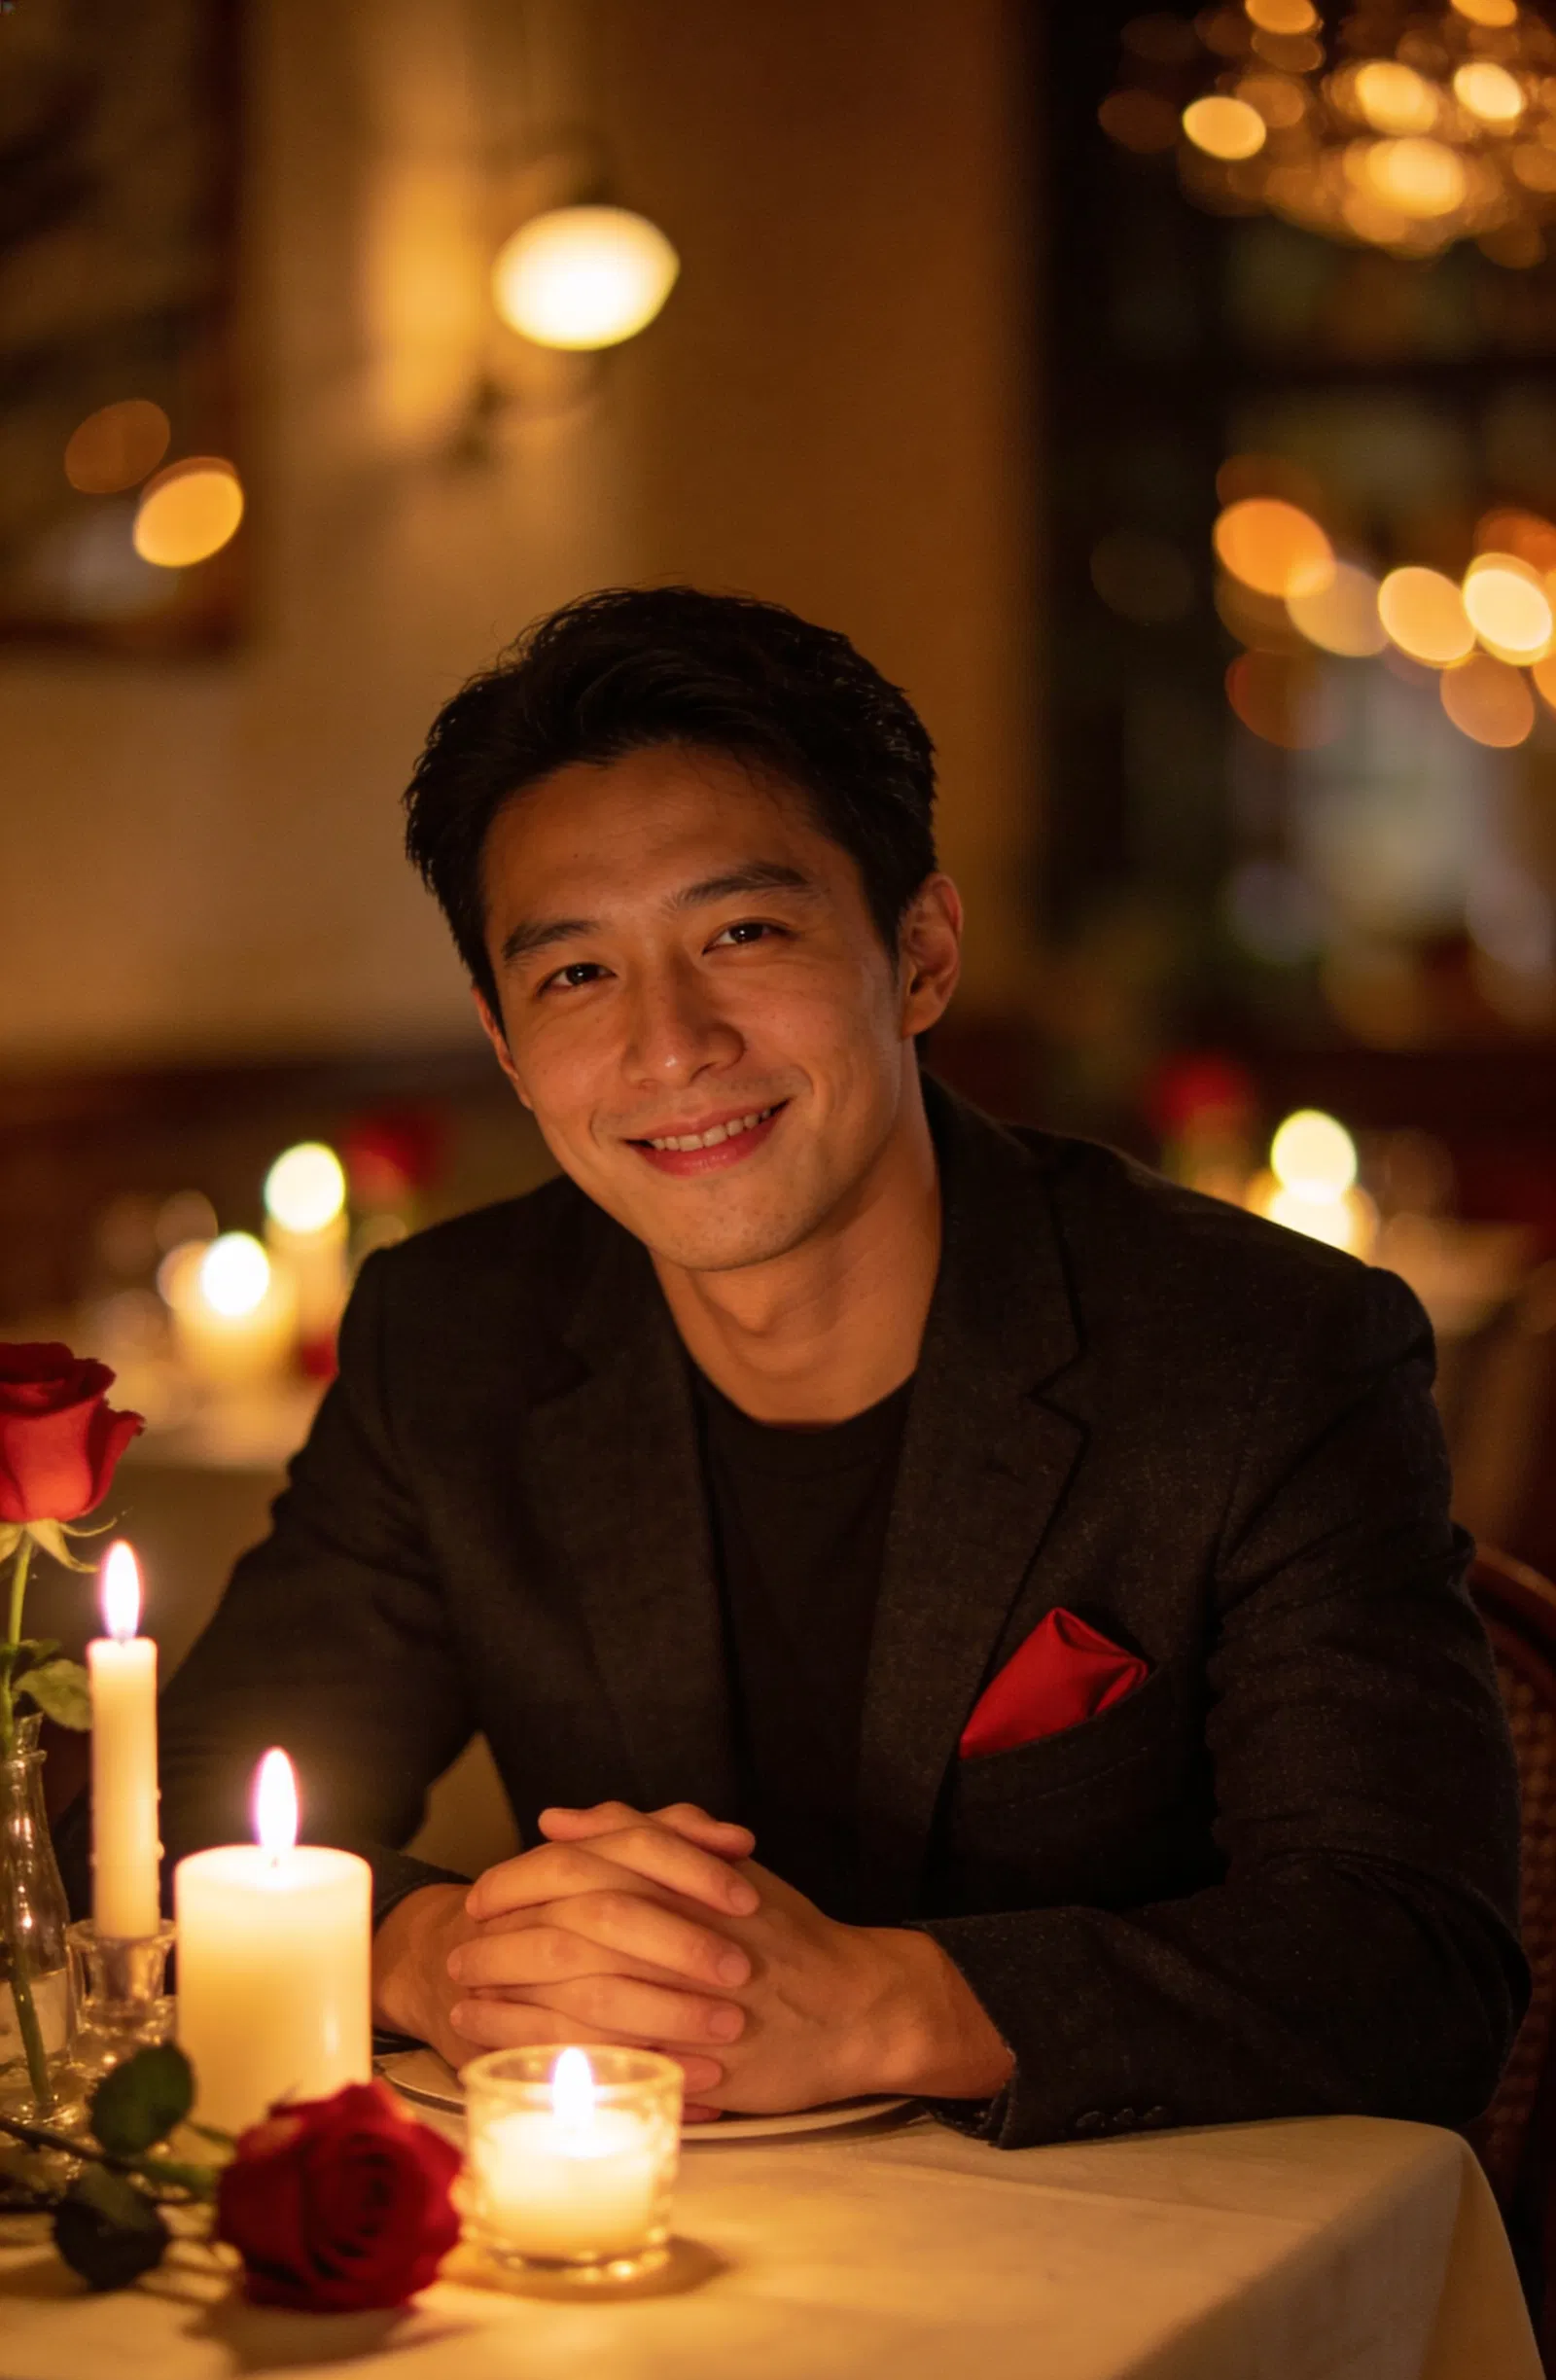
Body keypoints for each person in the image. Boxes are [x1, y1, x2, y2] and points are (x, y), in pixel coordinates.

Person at [76, 586, 1526, 2143]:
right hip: (627, 2218)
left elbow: (1412, 1959)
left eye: (743, 934)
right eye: (576, 976)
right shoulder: (456, 1337)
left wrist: (893, 2005)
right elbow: (183, 1800)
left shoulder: (1255, 1348)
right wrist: (433, 1954)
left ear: (921, 955)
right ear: (503, 1044)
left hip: (1139, 2231)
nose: (671, 1045)